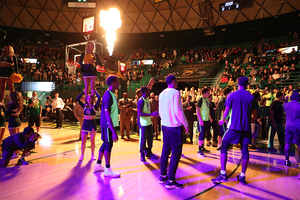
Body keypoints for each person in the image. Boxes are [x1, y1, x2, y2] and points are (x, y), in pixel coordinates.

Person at [211, 77, 257, 185]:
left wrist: (223, 120)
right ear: (247, 85)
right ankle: (242, 176)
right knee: (245, 151)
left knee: (224, 147)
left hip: (233, 127)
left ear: (237, 83)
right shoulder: (251, 97)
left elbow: (226, 113)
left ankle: (223, 174)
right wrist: (246, 120)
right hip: (246, 129)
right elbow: (255, 116)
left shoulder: (231, 95)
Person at [159, 75, 189, 189]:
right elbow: (178, 111)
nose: (177, 82)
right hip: (174, 126)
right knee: (176, 153)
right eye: (176, 80)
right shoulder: (176, 92)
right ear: (173, 81)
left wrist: (165, 120)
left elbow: (161, 111)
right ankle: (171, 180)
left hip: (165, 125)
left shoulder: (162, 93)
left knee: (165, 151)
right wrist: (185, 124)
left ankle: (163, 176)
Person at [94, 76, 120, 178]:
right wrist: (113, 131)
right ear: (112, 83)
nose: (118, 83)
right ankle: (107, 169)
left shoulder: (112, 94)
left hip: (108, 125)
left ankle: (98, 164)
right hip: (108, 125)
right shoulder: (108, 95)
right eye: (117, 82)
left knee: (105, 143)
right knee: (109, 145)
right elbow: (107, 114)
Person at [77, 89, 101, 161]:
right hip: (85, 124)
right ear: (86, 99)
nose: (89, 99)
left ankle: (92, 154)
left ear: (92, 99)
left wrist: (95, 91)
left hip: (92, 124)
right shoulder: (84, 105)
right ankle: (82, 155)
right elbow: (77, 98)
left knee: (92, 140)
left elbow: (99, 97)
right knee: (83, 140)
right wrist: (83, 92)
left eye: (90, 98)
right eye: (87, 98)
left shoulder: (95, 106)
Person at [137, 87, 159, 162]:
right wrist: (151, 114)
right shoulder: (141, 100)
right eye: (148, 91)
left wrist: (154, 114)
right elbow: (139, 113)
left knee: (150, 138)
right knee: (143, 139)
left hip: (149, 122)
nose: (149, 92)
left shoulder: (147, 99)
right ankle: (142, 154)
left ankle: (149, 153)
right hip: (143, 123)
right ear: (145, 92)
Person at [283, 90, 300, 167]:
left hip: (288, 126)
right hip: (297, 126)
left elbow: (284, 104)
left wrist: (286, 100)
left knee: (287, 143)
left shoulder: (286, 105)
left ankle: (286, 160)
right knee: (299, 144)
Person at [6, 92, 23, 159]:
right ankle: (17, 152)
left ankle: (15, 154)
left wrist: (3, 107)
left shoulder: (12, 104)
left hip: (13, 121)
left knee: (14, 139)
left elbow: (7, 113)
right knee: (17, 138)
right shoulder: (19, 103)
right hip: (18, 120)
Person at [196, 88, 211, 157]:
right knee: (201, 134)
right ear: (204, 93)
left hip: (206, 119)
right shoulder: (200, 99)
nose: (209, 93)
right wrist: (200, 120)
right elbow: (197, 110)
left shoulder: (207, 99)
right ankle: (199, 150)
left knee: (204, 133)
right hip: (202, 119)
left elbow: (208, 109)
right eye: (208, 92)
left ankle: (202, 147)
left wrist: (210, 117)